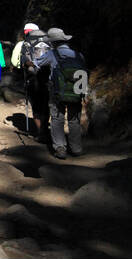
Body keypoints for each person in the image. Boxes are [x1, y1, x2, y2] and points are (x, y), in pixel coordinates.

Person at [37, 28, 86, 159]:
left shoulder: (52, 54)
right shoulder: (78, 55)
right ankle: (76, 148)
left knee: (57, 118)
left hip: (57, 91)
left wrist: (29, 63)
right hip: (76, 91)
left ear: (53, 42)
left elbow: (37, 63)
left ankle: (60, 147)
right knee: (74, 120)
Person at [10, 23, 51, 139]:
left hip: (32, 78)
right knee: (45, 103)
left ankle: (40, 132)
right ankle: (45, 129)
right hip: (47, 77)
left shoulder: (23, 44)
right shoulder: (48, 42)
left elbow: (15, 61)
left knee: (36, 105)